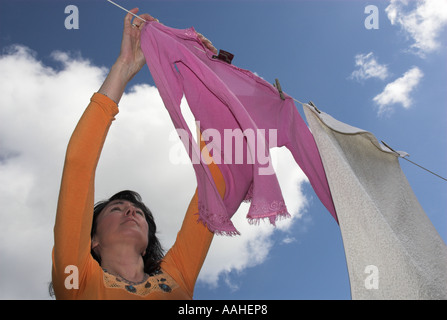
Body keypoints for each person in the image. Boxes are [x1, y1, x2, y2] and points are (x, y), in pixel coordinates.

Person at [51, 8, 224, 299]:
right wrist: (123, 67)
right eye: (116, 209)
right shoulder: (76, 280)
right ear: (92, 240)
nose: (131, 211)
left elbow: (214, 184)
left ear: (146, 244)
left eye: (139, 213)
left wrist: (205, 76)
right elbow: (78, 165)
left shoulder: (176, 277)